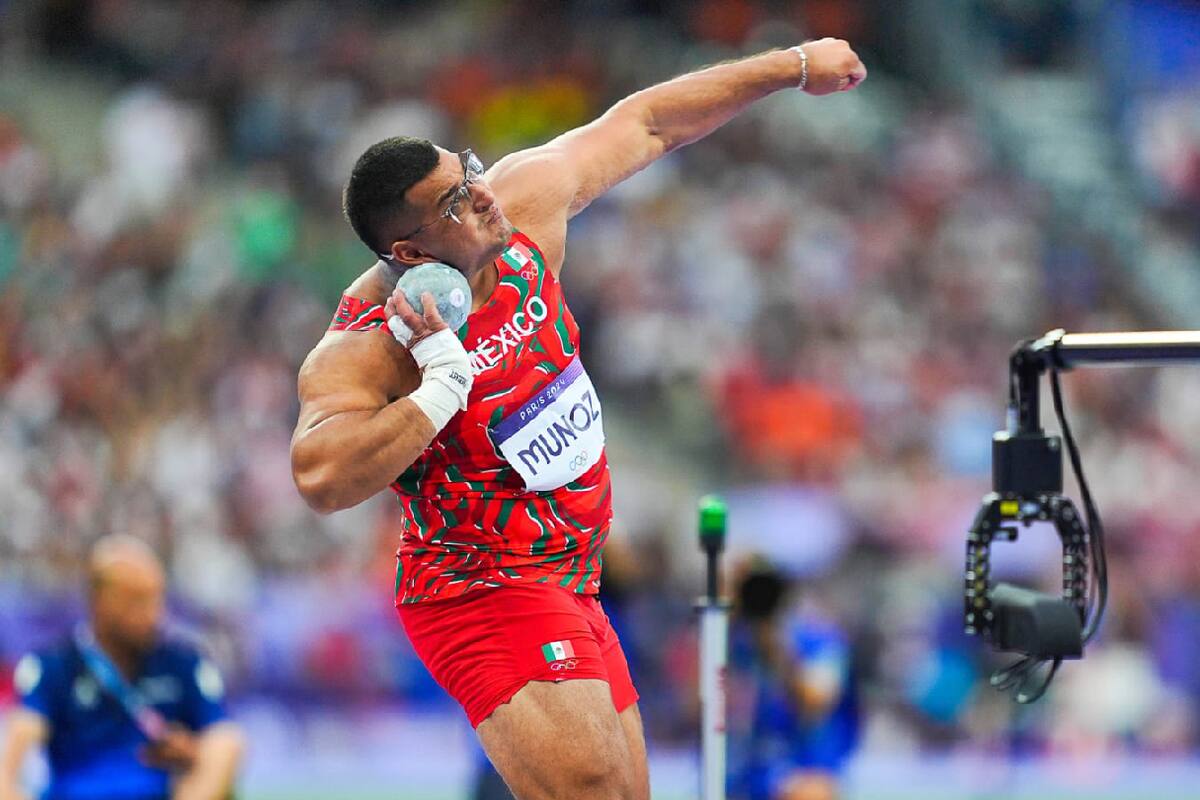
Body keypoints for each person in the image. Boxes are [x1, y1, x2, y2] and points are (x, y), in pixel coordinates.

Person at [290, 38, 867, 800]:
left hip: (574, 576)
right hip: (480, 587)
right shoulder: (367, 346)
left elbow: (651, 122)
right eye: (457, 200)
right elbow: (321, 477)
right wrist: (437, 390)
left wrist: (793, 64)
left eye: (466, 170)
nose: (482, 191)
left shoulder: (522, 214)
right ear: (408, 248)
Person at [0, 536, 244, 800]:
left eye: (157, 599)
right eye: (138, 601)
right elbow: (16, 749)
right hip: (77, 793)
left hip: (161, 793)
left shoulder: (182, 662)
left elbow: (222, 739)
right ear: (101, 601)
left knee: (227, 744)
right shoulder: (53, 666)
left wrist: (194, 754)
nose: (155, 614)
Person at [728, 561, 860, 800]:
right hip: (746, 769)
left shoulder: (819, 639)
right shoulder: (732, 642)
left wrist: (777, 651)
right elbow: (693, 708)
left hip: (806, 765)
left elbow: (817, 699)